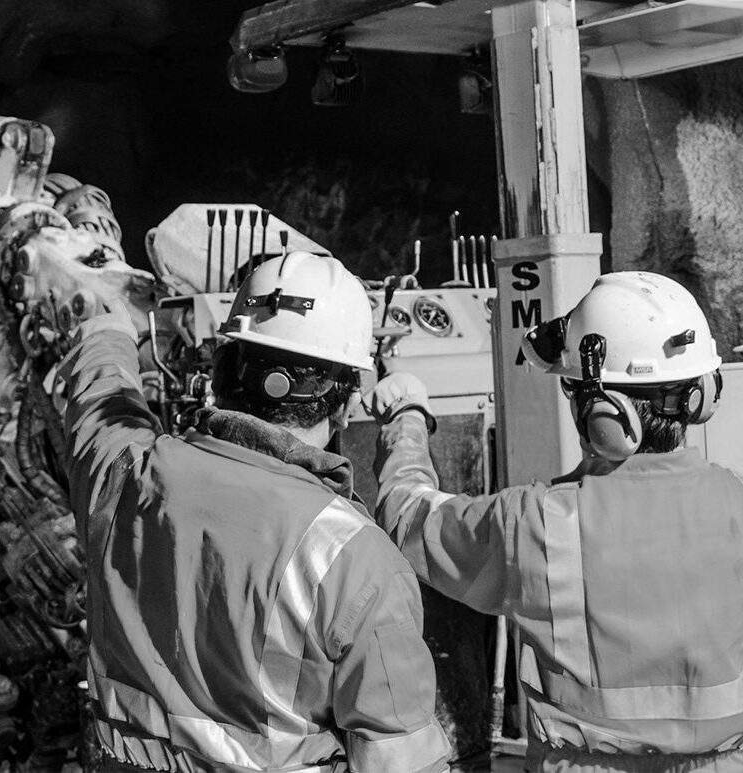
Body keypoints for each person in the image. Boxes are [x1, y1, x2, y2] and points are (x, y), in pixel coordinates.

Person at [365, 270, 743, 773]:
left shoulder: (534, 523)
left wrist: (407, 420)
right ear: (701, 396)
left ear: (601, 414)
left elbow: (408, 519)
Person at [61, 250, 451, 773]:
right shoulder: (357, 563)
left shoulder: (125, 479)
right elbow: (400, 762)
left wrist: (106, 330)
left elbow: (101, 404)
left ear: (222, 371)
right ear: (346, 402)